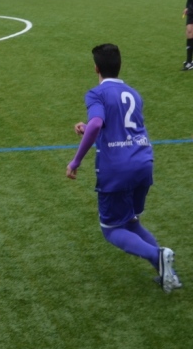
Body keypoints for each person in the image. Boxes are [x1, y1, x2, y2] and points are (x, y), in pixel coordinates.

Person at [66, 43, 179, 293]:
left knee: (111, 229)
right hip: (143, 163)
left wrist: (75, 161)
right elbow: (120, 130)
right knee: (130, 220)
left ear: (96, 68)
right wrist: (88, 129)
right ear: (120, 66)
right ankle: (168, 274)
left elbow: (97, 123)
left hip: (118, 169)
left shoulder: (96, 94)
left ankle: (158, 256)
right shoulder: (134, 94)